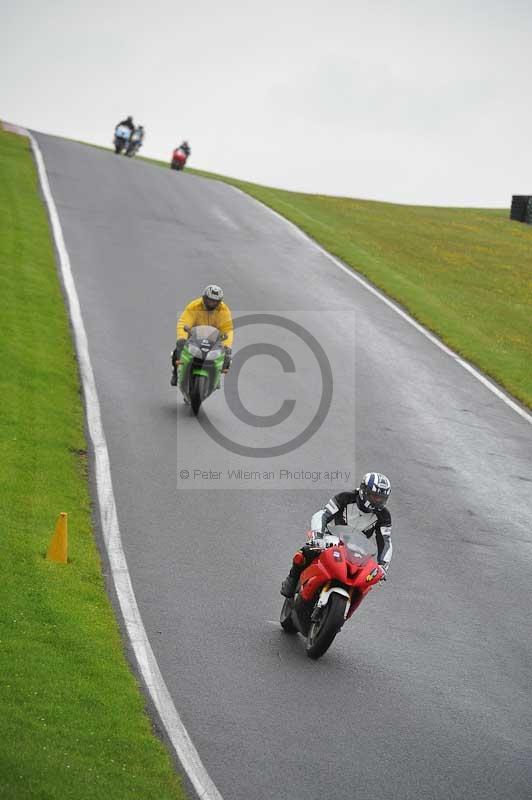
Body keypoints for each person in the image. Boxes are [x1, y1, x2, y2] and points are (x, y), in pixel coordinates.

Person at [280, 472, 393, 597]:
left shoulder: (384, 515)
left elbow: (385, 540)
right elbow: (323, 514)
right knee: (306, 552)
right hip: (332, 539)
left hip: (358, 550)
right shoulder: (345, 497)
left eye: (382, 498)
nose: (378, 501)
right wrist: (317, 537)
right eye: (374, 496)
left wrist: (383, 565)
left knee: (365, 582)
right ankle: (292, 579)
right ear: (364, 491)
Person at [171, 285, 233, 385]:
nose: (212, 303)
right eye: (209, 300)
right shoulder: (194, 306)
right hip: (194, 337)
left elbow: (227, 329)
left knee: (227, 356)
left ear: (219, 302)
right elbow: (184, 321)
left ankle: (216, 375)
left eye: (215, 301)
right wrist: (182, 337)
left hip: (213, 339)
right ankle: (175, 372)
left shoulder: (224, 310)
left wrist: (227, 346)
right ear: (204, 298)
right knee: (178, 348)